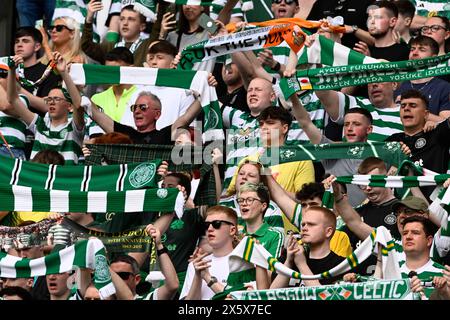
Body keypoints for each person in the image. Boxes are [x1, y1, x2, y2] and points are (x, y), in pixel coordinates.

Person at [6, 52, 85, 165]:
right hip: (38, 180)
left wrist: (63, 72)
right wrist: (12, 70)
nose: (51, 102)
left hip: (63, 180)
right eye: (49, 99)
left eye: (57, 99)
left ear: (69, 106)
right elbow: (13, 99)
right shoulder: (40, 124)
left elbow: (78, 105)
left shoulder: (74, 128)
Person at [386, 90, 450, 198]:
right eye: (403, 106)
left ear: (426, 114)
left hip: (432, 204)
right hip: (398, 206)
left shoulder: (437, 134)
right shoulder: (392, 140)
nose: (406, 108)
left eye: (413, 105)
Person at [85, 90, 201, 145]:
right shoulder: (125, 134)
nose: (137, 111)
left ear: (157, 114)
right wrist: (75, 85)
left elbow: (187, 116)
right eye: (134, 108)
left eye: (143, 107)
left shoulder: (166, 135)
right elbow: (95, 113)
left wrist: (206, 89)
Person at [271, 206, 345, 288]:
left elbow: (324, 296)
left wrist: (301, 264)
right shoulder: (288, 258)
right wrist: (288, 262)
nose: (304, 228)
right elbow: (272, 295)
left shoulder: (340, 265)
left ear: (328, 232)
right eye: (303, 224)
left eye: (311, 224)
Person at [131, 40, 196, 131]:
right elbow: (128, 126)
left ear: (173, 63)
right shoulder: (137, 93)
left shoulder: (183, 92)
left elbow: (190, 130)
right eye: (151, 58)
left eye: (159, 57)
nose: (154, 62)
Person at [180, 205, 238, 300]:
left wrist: (207, 277)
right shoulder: (197, 264)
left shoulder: (244, 262)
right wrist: (198, 276)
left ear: (232, 230)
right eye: (206, 225)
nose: (210, 229)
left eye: (216, 224)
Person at [219, 161, 284, 233]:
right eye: (241, 174)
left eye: (251, 175)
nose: (244, 177)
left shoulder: (271, 209)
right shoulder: (222, 206)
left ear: (260, 183)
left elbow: (276, 242)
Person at [82, 3, 155, 66]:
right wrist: (89, 19)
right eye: (122, 18)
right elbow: (86, 46)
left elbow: (157, 30)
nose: (125, 23)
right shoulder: (109, 46)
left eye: (131, 19)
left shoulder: (148, 46)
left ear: (142, 26)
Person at [394, 36, 450, 118]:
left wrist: (414, 112)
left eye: (422, 50)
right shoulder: (399, 85)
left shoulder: (444, 87)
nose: (415, 53)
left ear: (433, 59)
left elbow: (445, 123)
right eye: (412, 49)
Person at [90, 47, 138, 129]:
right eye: (108, 69)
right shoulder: (96, 99)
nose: (111, 73)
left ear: (131, 68)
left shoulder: (141, 96)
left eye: (116, 69)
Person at [237, 182, 285, 258]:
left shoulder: (275, 236)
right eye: (240, 200)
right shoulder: (236, 236)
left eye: (249, 200)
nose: (243, 204)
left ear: (263, 206)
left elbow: (272, 269)